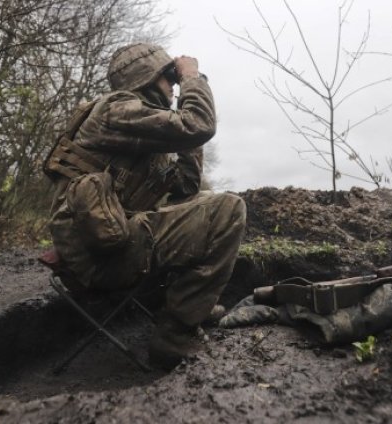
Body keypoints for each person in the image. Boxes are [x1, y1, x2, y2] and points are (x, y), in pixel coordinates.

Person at [43, 43, 246, 369]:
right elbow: (199, 124)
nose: (174, 83)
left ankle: (191, 306)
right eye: (170, 77)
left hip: (112, 241)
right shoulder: (116, 111)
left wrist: (185, 136)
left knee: (210, 203)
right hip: (98, 254)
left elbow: (186, 189)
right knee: (229, 209)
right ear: (147, 79)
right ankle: (175, 336)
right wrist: (193, 78)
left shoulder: (141, 135)